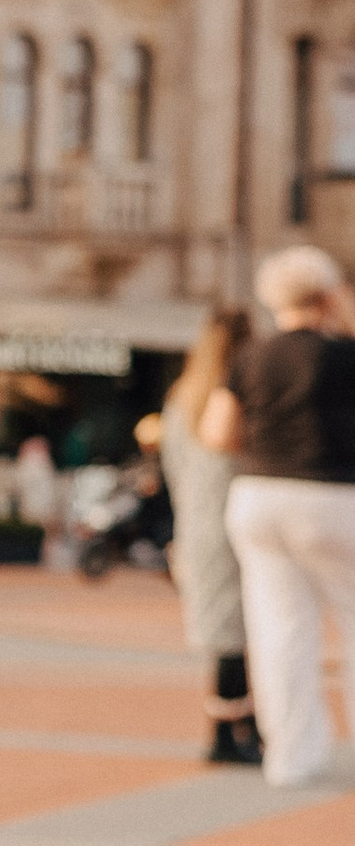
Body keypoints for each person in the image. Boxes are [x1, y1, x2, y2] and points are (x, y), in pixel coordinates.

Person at [203, 245, 355, 787]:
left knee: (280, 629)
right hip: (334, 495)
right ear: (326, 295)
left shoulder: (252, 357)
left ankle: (291, 758)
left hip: (258, 495)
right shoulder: (344, 355)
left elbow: (218, 432)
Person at [155, 307, 259, 764]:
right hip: (239, 517)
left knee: (224, 633)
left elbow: (174, 469)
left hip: (198, 520)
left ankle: (233, 726)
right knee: (248, 630)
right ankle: (235, 730)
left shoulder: (182, 397)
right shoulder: (240, 394)